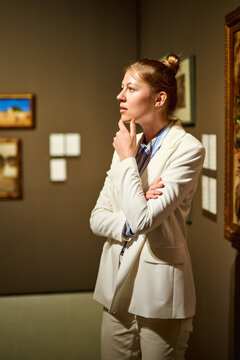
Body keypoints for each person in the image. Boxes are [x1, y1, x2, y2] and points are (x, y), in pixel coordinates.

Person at [90, 55, 205, 360]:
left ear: (159, 99)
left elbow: (142, 220)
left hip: (159, 291)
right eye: (121, 88)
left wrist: (128, 159)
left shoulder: (188, 149)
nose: (120, 96)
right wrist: (135, 203)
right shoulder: (129, 141)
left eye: (129, 88)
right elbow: (97, 218)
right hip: (117, 284)